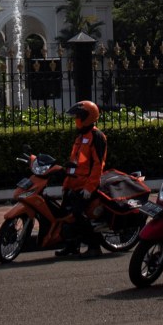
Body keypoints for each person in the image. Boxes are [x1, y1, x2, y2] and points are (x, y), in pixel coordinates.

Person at [55, 100, 107, 258]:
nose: (76, 120)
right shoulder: (80, 136)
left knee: (78, 213)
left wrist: (89, 188)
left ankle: (94, 246)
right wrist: (66, 184)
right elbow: (74, 164)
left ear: (88, 117)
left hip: (87, 186)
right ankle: (72, 245)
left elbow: (98, 165)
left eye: (78, 117)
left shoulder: (97, 136)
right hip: (75, 184)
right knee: (65, 214)